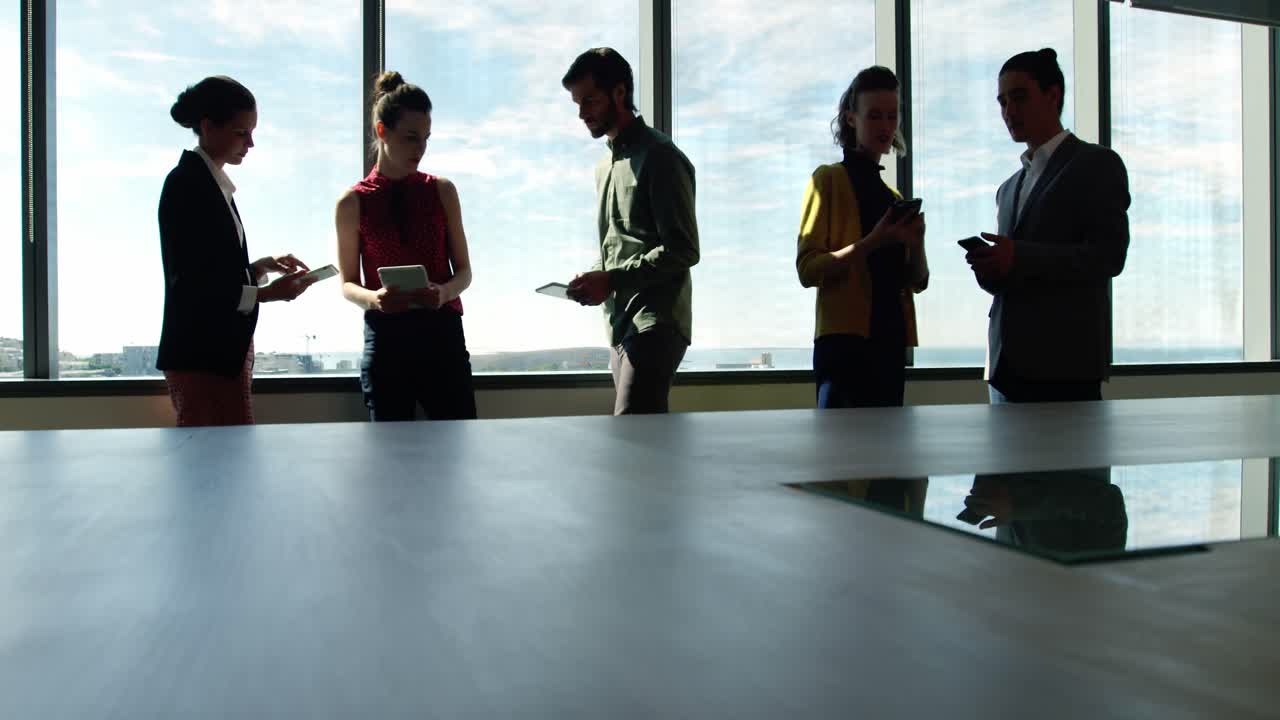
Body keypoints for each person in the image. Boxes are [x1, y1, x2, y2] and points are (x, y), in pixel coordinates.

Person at [966, 48, 1130, 404]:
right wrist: (991, 269)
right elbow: (1015, 275)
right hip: (1004, 371)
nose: (1009, 111)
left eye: (1019, 97)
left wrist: (1018, 256)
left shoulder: (1096, 164)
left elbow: (1109, 256)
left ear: (1053, 95)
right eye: (1002, 102)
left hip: (1064, 370)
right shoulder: (1007, 188)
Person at [157, 75, 316, 427]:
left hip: (216, 353)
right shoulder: (187, 185)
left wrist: (257, 269)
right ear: (209, 126)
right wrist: (267, 294)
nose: (251, 143)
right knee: (213, 464)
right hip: (203, 356)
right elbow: (194, 285)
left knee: (222, 464)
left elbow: (211, 272)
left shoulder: (210, 186)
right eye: (242, 132)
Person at [562, 48, 700, 416]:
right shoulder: (604, 166)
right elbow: (615, 244)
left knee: (633, 433)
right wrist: (593, 278)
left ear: (620, 92)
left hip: (656, 320)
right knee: (639, 450)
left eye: (589, 100)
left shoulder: (661, 156)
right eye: (577, 103)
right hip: (620, 323)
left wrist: (610, 279)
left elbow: (684, 248)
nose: (582, 113)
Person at [335, 71, 477, 422]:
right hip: (386, 342)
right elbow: (348, 284)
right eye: (411, 137)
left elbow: (465, 272)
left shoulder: (442, 190)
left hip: (442, 337)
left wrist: (443, 293)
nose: (421, 149)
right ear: (382, 131)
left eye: (426, 138)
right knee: (389, 462)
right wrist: (375, 299)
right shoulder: (352, 202)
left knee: (457, 453)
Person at [795, 66, 928, 409]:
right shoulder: (828, 181)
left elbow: (918, 281)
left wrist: (917, 244)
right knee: (842, 457)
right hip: (845, 347)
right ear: (852, 119)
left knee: (887, 458)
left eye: (891, 116)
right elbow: (808, 270)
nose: (885, 126)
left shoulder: (893, 197)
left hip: (889, 342)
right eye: (875, 116)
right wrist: (872, 242)